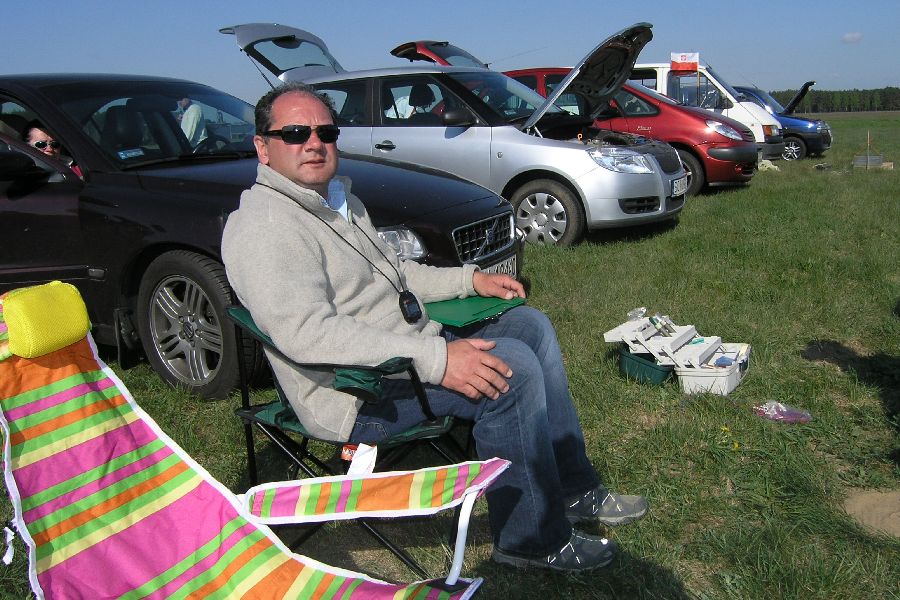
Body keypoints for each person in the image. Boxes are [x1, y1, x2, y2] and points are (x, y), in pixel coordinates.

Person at [221, 82, 648, 572]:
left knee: (528, 325)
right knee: (512, 371)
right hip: (352, 391)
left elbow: (396, 274)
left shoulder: (337, 202)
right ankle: (531, 540)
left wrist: (470, 280)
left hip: (404, 352)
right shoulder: (266, 227)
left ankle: (574, 488)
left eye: (326, 131)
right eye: (296, 133)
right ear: (263, 147)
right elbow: (309, 333)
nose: (314, 143)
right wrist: (439, 359)